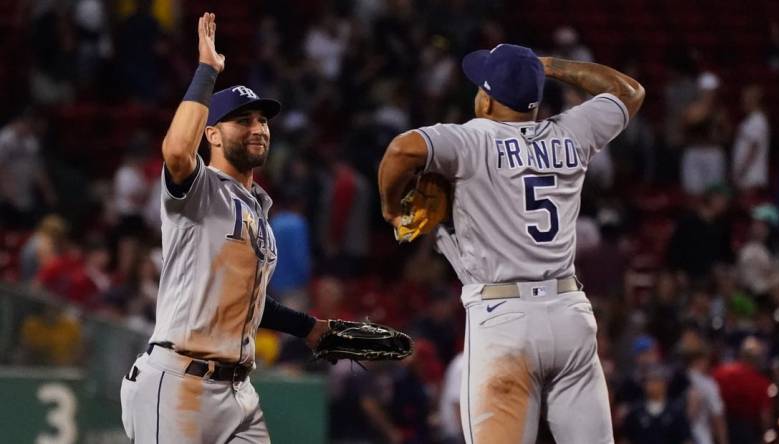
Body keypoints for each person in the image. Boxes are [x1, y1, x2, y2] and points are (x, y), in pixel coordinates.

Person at [378, 44, 645, 443]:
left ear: (485, 97)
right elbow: (629, 91)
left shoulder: (471, 138)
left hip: (503, 318)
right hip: (569, 314)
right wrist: (549, 67)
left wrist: (389, 208)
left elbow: (402, 148)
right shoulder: (572, 131)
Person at [119, 13, 329, 443]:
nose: (258, 128)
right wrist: (207, 71)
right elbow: (177, 150)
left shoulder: (258, 209)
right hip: (179, 381)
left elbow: (243, 303)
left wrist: (309, 327)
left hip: (238, 390)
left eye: (263, 120)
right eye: (244, 120)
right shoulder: (201, 190)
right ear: (212, 134)